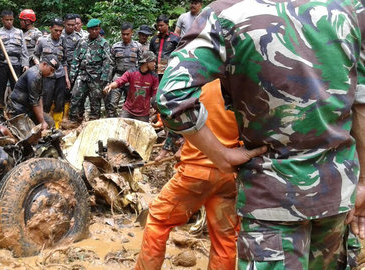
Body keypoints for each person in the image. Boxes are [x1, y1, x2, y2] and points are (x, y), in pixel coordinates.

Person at [150, 0, 365, 269]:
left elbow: (171, 97)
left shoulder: (225, 14)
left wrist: (221, 155)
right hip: (336, 194)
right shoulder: (350, 9)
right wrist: (362, 183)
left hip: (269, 199)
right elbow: (361, 102)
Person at [135, 79, 240, 270]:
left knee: (157, 220)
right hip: (228, 176)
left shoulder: (197, 81)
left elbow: (175, 115)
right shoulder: (241, 86)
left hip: (195, 173)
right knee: (224, 238)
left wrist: (179, 145)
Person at [65, 18, 111, 126]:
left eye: (97, 29)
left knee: (95, 101)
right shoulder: (82, 41)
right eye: (92, 29)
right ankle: (75, 120)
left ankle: (93, 122)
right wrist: (72, 76)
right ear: (88, 30)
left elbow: (107, 63)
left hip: (96, 77)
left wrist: (104, 79)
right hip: (82, 74)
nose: (94, 31)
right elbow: (76, 58)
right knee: (76, 96)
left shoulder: (103, 44)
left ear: (99, 29)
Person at [7, 55, 60, 131]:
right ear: (44, 64)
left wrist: (42, 117)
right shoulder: (34, 75)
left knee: (50, 122)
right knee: (29, 136)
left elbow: (39, 97)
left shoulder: (41, 75)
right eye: (51, 70)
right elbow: (34, 102)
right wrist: (42, 121)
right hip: (17, 109)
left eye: (53, 71)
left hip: (29, 109)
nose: (51, 73)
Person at [103, 51, 158, 122]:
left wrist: (155, 107)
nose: (155, 64)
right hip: (128, 110)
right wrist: (110, 86)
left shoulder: (154, 77)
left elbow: (155, 94)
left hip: (143, 113)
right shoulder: (131, 72)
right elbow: (119, 81)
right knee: (121, 127)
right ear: (146, 62)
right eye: (153, 61)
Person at [33, 18, 68, 129]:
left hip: (60, 75)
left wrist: (66, 78)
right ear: (50, 29)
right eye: (56, 30)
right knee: (46, 101)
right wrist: (40, 68)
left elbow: (65, 60)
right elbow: (35, 55)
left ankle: (57, 126)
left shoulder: (63, 40)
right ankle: (45, 125)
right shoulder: (42, 40)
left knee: (59, 101)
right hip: (47, 76)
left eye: (60, 31)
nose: (58, 33)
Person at [107, 22, 142, 117]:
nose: (125, 36)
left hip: (132, 78)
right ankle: (112, 122)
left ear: (132, 33)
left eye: (127, 34)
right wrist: (108, 80)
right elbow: (111, 64)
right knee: (112, 103)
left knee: (131, 103)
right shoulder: (115, 46)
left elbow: (141, 63)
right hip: (118, 76)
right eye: (123, 34)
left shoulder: (137, 46)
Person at [0, 9, 29, 105]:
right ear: (2, 20)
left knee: (16, 87)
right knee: (0, 88)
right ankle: (0, 107)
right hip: (3, 63)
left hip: (15, 63)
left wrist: (25, 63)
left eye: (11, 19)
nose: (9, 22)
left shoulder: (19, 32)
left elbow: (24, 50)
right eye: (6, 20)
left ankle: (15, 108)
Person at [61, 14, 83, 121]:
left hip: (73, 68)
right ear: (64, 23)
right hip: (58, 67)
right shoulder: (59, 34)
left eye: (73, 25)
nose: (71, 27)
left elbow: (79, 55)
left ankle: (68, 115)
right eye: (69, 25)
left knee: (70, 92)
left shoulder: (78, 38)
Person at [149, 15, 180, 80]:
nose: (159, 27)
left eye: (161, 25)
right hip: (155, 72)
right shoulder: (154, 39)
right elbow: (151, 54)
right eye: (158, 26)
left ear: (167, 24)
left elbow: (179, 54)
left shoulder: (175, 38)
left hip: (169, 71)